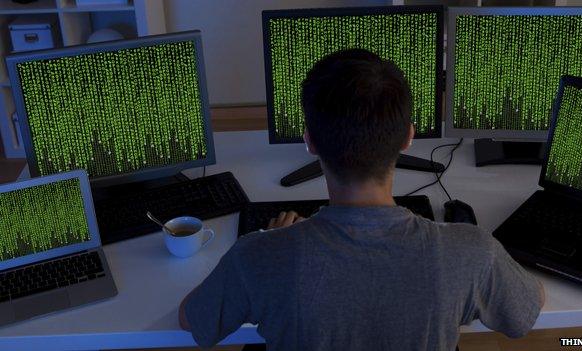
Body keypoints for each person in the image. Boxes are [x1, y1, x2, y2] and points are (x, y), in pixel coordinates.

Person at [178, 49, 544, 351]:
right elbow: (525, 312)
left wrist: (272, 243)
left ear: (309, 142)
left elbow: (192, 320)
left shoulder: (258, 257)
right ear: (408, 138)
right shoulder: (474, 253)